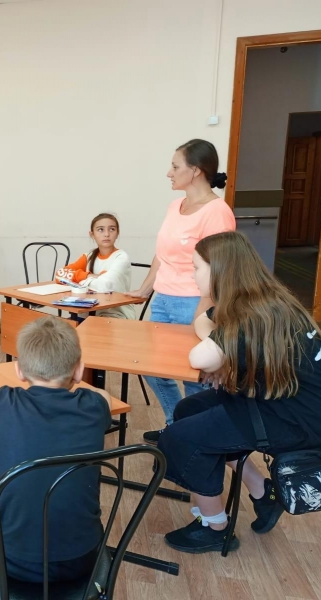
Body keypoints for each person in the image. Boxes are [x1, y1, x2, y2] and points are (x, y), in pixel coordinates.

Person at [159, 232, 321, 553]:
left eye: (197, 267)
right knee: (188, 410)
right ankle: (263, 492)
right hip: (279, 401)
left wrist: (219, 351)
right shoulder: (256, 299)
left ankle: (215, 528)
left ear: (219, 270)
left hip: (297, 421)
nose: (193, 275)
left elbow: (199, 359)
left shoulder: (253, 313)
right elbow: (203, 322)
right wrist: (222, 348)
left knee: (181, 438)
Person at [0, 316, 111, 582]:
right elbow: (104, 397)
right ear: (79, 370)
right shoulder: (94, 405)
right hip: (84, 556)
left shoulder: (6, 402)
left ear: (19, 371)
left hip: (13, 561)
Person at [128, 139, 236, 444]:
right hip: (163, 300)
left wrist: (205, 313)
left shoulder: (217, 212)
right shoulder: (175, 206)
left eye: (175, 167)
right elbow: (162, 253)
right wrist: (144, 290)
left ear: (196, 170)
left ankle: (194, 438)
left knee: (195, 377)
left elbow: (218, 270)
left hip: (194, 303)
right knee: (150, 366)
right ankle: (177, 426)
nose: (169, 173)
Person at [55, 213, 134, 319]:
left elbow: (105, 285)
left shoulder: (121, 257)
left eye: (112, 229)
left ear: (117, 233)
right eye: (100, 230)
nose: (106, 234)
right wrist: (88, 276)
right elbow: (59, 275)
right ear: (92, 234)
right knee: (56, 325)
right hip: (87, 313)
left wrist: (78, 282)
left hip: (115, 315)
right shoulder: (89, 256)